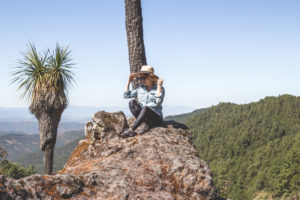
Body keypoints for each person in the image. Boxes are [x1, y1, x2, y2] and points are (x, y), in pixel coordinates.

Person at [122, 65, 165, 137]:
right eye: (140, 78)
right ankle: (145, 124)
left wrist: (159, 86)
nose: (142, 80)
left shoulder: (159, 88)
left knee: (145, 108)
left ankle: (131, 130)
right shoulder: (140, 88)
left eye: (144, 78)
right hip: (146, 117)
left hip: (156, 119)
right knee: (131, 102)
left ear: (151, 78)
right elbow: (126, 96)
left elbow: (158, 102)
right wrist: (129, 82)